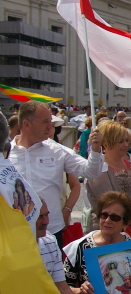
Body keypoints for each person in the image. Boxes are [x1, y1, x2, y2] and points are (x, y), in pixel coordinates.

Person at [9, 101, 103, 248]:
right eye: (45, 122)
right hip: (13, 232)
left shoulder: (57, 150)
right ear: (27, 124)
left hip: (50, 231)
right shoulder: (5, 154)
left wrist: (96, 150)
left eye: (51, 122)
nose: (50, 127)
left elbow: (91, 171)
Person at [86, 121, 131, 232]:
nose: (126, 145)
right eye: (120, 142)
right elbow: (110, 203)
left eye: (127, 140)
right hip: (109, 231)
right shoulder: (98, 170)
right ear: (106, 144)